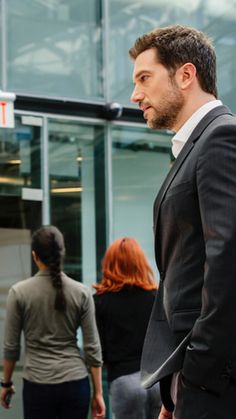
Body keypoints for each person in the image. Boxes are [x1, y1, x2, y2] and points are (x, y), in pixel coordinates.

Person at [129, 24, 236, 419]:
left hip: (213, 382)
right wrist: (174, 392)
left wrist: (196, 377)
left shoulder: (221, 138)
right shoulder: (196, 145)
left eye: (145, 78)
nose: (135, 94)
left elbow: (227, 264)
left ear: (186, 75)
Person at [0, 225, 105, 419]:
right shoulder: (81, 292)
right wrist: (98, 393)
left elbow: (11, 346)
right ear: (62, 254)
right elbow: (92, 348)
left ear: (34, 255)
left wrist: (6, 384)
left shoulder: (19, 292)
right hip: (75, 383)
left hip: (37, 385)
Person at [93, 237, 161, 419]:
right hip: (156, 381)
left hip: (124, 381)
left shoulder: (100, 301)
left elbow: (99, 350)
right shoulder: (155, 297)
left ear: (109, 264)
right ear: (140, 263)